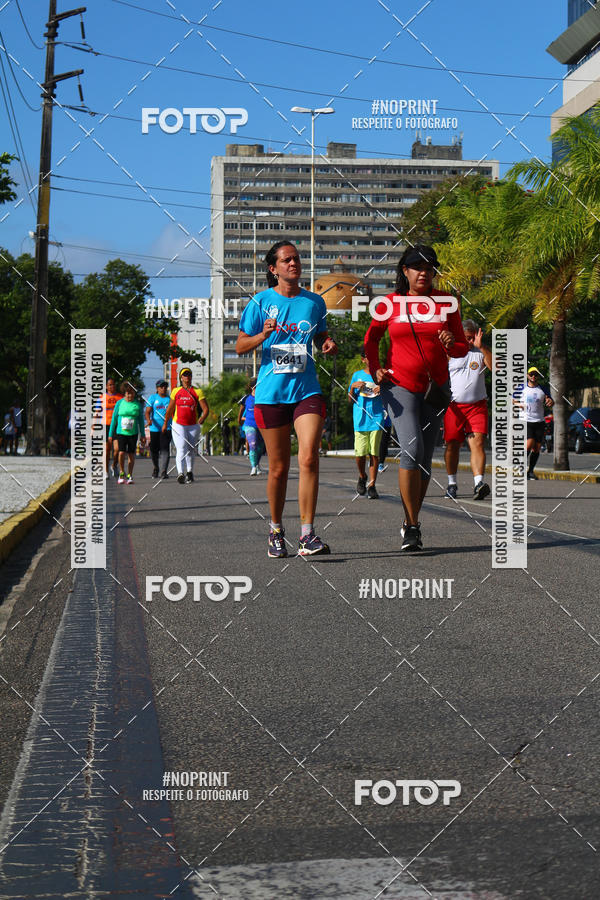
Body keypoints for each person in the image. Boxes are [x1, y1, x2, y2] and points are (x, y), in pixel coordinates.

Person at [236, 239, 337, 558]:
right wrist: (262, 336)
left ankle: (308, 535)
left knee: (308, 457)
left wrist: (325, 342)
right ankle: (276, 530)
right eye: (287, 260)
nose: (294, 264)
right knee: (278, 468)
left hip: (306, 390)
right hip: (270, 393)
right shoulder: (261, 302)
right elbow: (240, 346)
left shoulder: (314, 302)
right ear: (273, 268)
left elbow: (319, 333)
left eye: (296, 259)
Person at [364, 244, 468, 552]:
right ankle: (411, 525)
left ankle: (412, 522)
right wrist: (376, 370)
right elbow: (371, 340)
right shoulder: (390, 304)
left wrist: (451, 344)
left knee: (424, 457)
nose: (423, 272)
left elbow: (462, 346)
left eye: (429, 268)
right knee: (411, 448)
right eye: (416, 267)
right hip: (399, 385)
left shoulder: (447, 303)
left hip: (436, 388)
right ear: (405, 271)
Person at [444, 319, 492, 501]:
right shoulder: (450, 353)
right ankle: (452, 483)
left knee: (478, 443)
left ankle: (479, 483)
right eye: (466, 338)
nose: (469, 342)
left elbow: (497, 367)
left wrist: (481, 347)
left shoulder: (480, 352)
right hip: (453, 407)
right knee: (452, 445)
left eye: (472, 338)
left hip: (477, 406)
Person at [348, 349, 385, 499]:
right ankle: (362, 476)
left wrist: (384, 390)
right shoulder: (357, 375)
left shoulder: (381, 375)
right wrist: (352, 388)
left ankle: (372, 484)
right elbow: (350, 400)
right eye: (368, 357)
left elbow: (392, 395)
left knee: (374, 453)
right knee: (360, 454)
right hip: (360, 418)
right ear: (363, 359)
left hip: (376, 418)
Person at [162, 367, 209, 484]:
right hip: (179, 425)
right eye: (185, 375)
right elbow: (169, 409)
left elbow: (206, 409)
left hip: (193, 425)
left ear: (191, 377)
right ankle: (180, 473)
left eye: (189, 375)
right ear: (181, 378)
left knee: (191, 450)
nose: (187, 377)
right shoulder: (176, 391)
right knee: (181, 448)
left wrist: (202, 418)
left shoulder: (197, 391)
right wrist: (165, 423)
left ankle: (189, 472)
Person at [109, 382, 146, 484]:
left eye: (132, 393)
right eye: (128, 393)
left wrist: (142, 435)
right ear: (124, 393)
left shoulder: (137, 405)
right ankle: (121, 472)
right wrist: (110, 434)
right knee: (121, 452)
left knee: (131, 455)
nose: (130, 396)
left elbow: (141, 421)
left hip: (133, 433)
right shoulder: (119, 403)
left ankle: (129, 475)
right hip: (121, 432)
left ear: (134, 394)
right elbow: (114, 419)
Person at [524, 366, 553, 480]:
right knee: (529, 443)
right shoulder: (522, 388)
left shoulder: (543, 389)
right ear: (527, 375)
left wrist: (550, 401)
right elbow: (513, 399)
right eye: (531, 374)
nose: (533, 376)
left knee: (536, 448)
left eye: (536, 374)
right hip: (527, 420)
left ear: (538, 376)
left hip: (539, 421)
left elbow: (550, 401)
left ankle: (530, 471)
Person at [145, 379, 172, 479]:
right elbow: (147, 412)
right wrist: (149, 420)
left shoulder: (169, 399)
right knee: (154, 450)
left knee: (165, 449)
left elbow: (172, 413)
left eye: (165, 386)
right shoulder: (152, 398)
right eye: (161, 386)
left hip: (167, 428)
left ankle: (164, 471)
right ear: (157, 388)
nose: (164, 388)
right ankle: (156, 467)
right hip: (154, 428)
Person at [96, 378, 123, 478]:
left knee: (117, 449)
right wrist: (93, 426)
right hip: (105, 425)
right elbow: (97, 413)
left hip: (116, 426)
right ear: (106, 386)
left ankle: (114, 465)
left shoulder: (120, 397)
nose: (112, 386)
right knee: (106, 450)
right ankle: (106, 471)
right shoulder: (102, 397)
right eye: (110, 385)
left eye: (113, 384)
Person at [238, 379, 265, 476]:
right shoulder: (246, 398)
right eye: (256, 386)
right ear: (252, 387)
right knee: (252, 444)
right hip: (249, 425)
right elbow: (241, 411)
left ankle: (257, 465)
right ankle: (253, 467)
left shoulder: (263, 397)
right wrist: (239, 421)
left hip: (261, 425)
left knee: (260, 447)